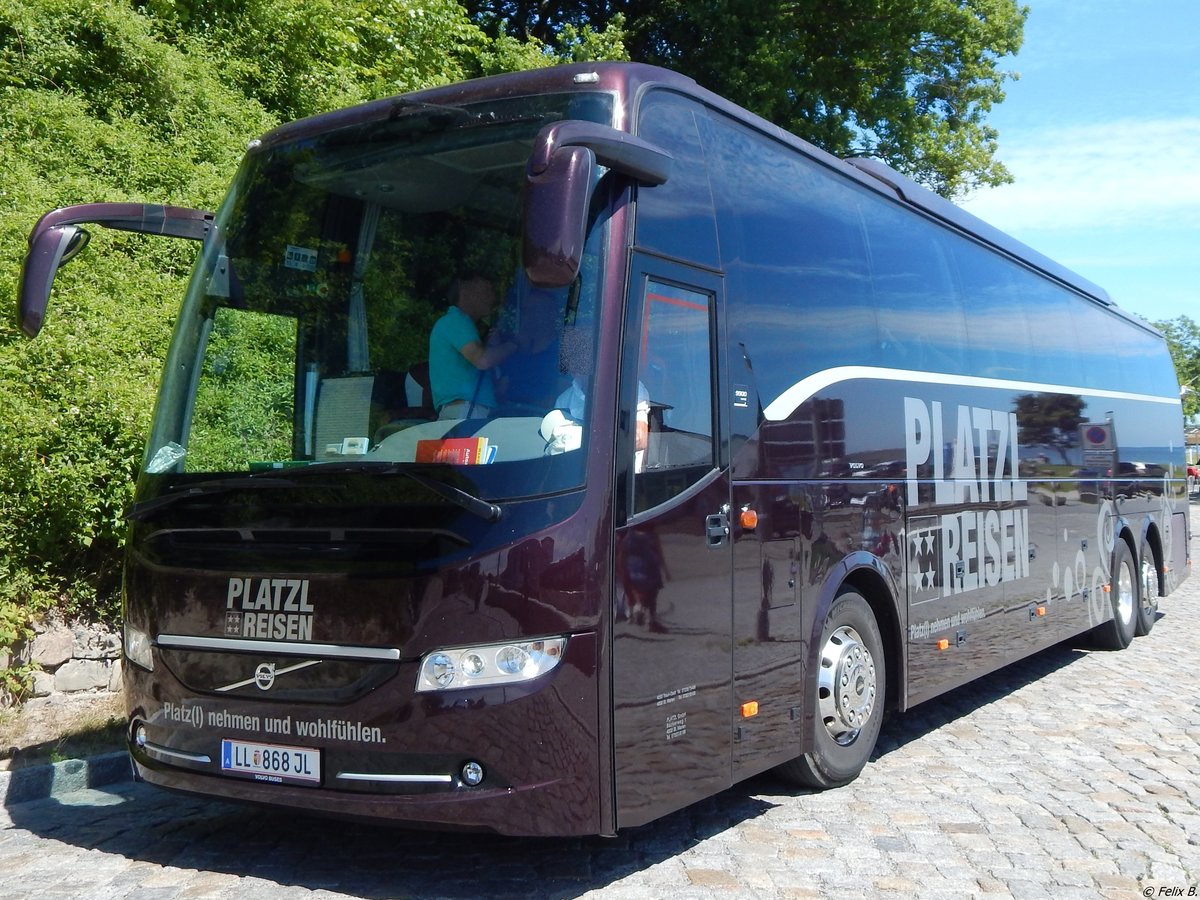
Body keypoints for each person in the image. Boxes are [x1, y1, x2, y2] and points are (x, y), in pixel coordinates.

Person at [428, 275, 517, 419]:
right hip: (466, 410)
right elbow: (483, 360)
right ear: (465, 290)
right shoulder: (456, 320)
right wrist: (514, 344)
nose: (493, 297)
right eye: (487, 290)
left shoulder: (459, 325)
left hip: (463, 409)